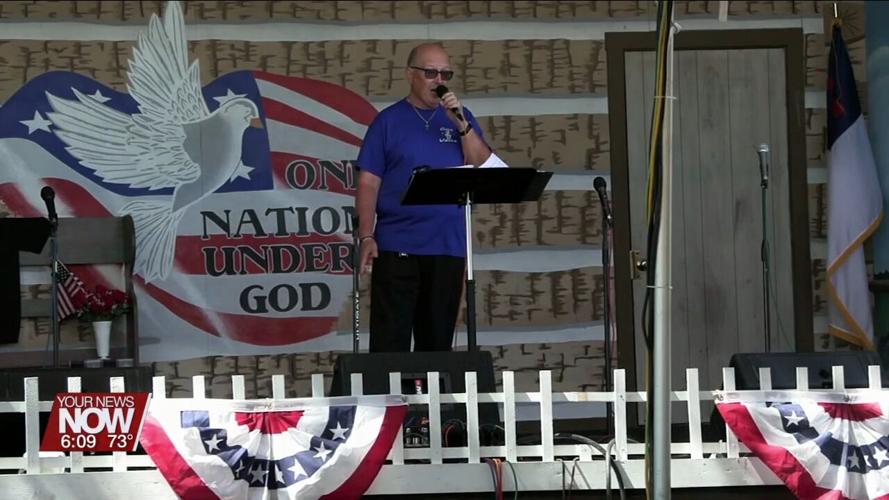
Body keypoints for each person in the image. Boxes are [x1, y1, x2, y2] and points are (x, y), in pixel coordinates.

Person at [355, 42, 505, 353]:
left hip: (446, 244)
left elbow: (483, 165)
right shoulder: (388, 121)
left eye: (445, 73)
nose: (439, 80)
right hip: (397, 244)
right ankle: (391, 402)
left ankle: (431, 402)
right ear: (410, 74)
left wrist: (462, 125)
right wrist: (367, 235)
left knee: (436, 341)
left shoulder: (460, 118)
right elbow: (369, 182)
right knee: (390, 341)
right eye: (431, 73)